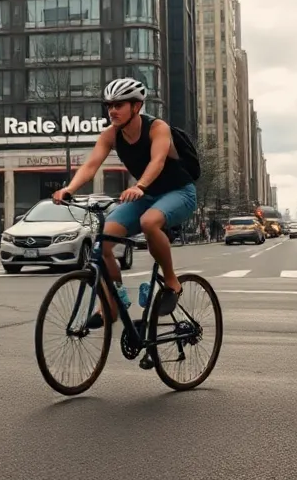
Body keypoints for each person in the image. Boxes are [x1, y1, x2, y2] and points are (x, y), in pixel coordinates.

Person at [51, 77, 196, 330]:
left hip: (179, 192)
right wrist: (70, 188)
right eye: (109, 106)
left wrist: (139, 185)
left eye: (119, 105)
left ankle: (172, 282)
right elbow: (91, 165)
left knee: (149, 222)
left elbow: (157, 162)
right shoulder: (111, 135)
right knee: (103, 240)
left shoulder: (157, 128)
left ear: (136, 106)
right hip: (147, 196)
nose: (113, 111)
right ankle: (112, 303)